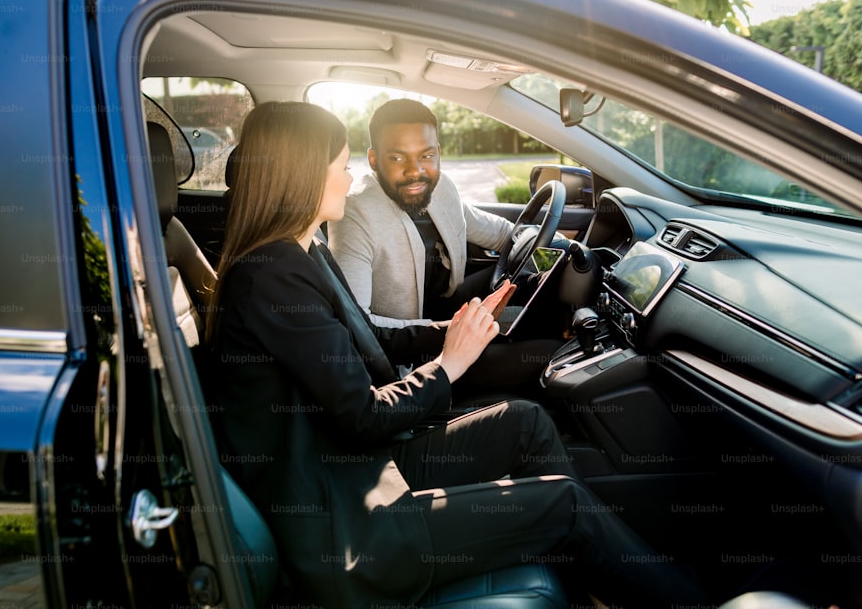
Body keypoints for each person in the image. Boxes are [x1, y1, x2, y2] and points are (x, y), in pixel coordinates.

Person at [206, 101, 702, 608]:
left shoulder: (300, 253)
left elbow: (367, 337)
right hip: (347, 529)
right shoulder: (271, 277)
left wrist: (453, 330)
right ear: (305, 175)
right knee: (566, 505)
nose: (350, 174)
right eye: (342, 164)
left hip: (357, 469)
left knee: (525, 423)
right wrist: (451, 364)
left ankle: (599, 574)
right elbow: (362, 415)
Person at [328, 98, 563, 395]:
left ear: (438, 153)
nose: (416, 171)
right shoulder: (356, 213)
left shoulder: (441, 188)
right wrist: (451, 329)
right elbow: (359, 324)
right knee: (552, 354)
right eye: (398, 158)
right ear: (374, 159)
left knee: (535, 292)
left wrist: (558, 245)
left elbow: (499, 233)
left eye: (426, 156)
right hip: (412, 351)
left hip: (447, 305)